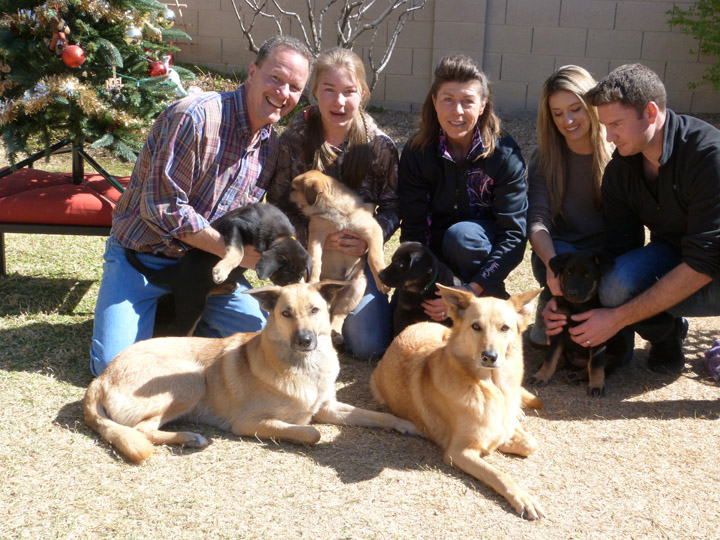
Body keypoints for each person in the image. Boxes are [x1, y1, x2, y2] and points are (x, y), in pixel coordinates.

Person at [89, 35, 312, 376]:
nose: (283, 93)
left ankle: (179, 314)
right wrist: (234, 254)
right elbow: (161, 205)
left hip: (208, 270)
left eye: (294, 87)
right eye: (276, 79)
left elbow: (256, 219)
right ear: (252, 72)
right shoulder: (195, 117)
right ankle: (160, 307)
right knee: (114, 368)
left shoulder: (270, 145)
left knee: (265, 343)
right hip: (142, 256)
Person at [544, 63, 720, 373]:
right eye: (605, 126)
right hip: (673, 253)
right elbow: (619, 248)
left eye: (616, 125)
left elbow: (705, 262)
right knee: (616, 284)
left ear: (651, 113)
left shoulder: (708, 156)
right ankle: (668, 335)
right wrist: (566, 306)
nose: (608, 137)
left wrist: (616, 319)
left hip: (712, 264)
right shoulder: (621, 169)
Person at [266, 47, 399, 361]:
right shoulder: (294, 141)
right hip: (306, 257)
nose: (339, 102)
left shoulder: (379, 145)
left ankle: (338, 320)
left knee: (369, 346)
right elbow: (276, 206)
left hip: (355, 263)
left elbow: (395, 205)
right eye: (329, 90)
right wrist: (315, 235)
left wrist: (365, 242)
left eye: (349, 92)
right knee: (288, 341)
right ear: (314, 92)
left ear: (363, 94)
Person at [398, 54, 527, 321]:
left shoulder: (505, 154)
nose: (457, 111)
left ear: (482, 105)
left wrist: (469, 290)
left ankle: (486, 297)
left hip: (477, 250)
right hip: (434, 260)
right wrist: (430, 288)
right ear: (434, 102)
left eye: (467, 101)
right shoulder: (416, 151)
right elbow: (413, 229)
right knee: (376, 339)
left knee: (463, 236)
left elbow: (514, 236)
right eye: (448, 100)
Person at [527, 65, 613, 345]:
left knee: (617, 356)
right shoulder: (544, 157)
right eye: (558, 113)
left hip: (602, 257)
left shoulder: (617, 153)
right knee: (543, 343)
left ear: (592, 105)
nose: (568, 120)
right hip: (559, 254)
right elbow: (537, 222)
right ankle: (551, 301)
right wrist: (553, 267)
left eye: (576, 108)